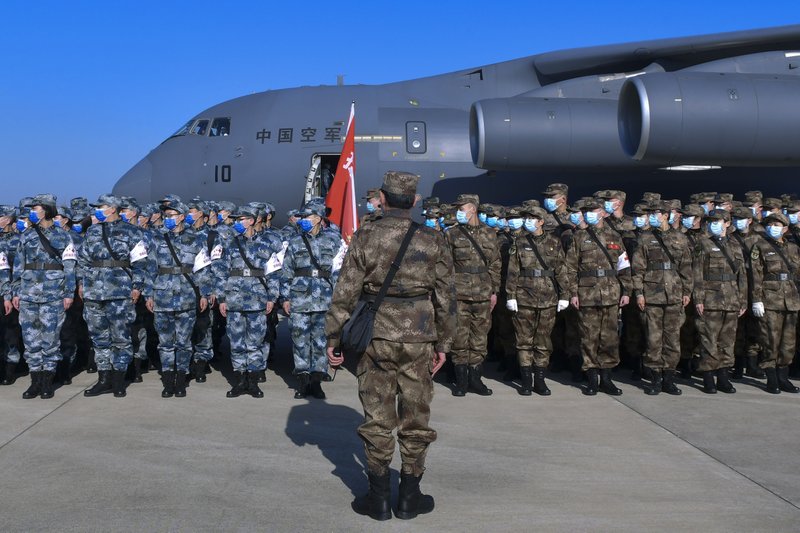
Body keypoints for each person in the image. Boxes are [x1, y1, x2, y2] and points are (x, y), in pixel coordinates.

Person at [325, 171, 456, 521]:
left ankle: (379, 499)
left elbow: (345, 292)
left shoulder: (365, 236)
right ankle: (410, 498)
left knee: (378, 417)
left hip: (376, 336)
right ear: (414, 201)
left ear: (382, 198)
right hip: (420, 336)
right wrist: (444, 342)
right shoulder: (433, 238)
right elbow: (445, 295)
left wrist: (334, 337)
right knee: (416, 416)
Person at [79, 194, 151, 398]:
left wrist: (137, 286)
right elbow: (83, 258)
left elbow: (140, 263)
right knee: (99, 337)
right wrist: (82, 282)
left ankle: (119, 380)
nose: (97, 211)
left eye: (101, 207)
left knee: (120, 338)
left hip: (120, 292)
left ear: (112, 209)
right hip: (94, 291)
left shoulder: (132, 232)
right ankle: (104, 380)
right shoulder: (92, 231)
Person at [9, 195, 77, 399]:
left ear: (46, 210)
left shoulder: (64, 236)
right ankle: (35, 383)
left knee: (50, 340)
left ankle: (47, 383)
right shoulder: (26, 236)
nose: (32, 212)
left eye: (35, 209)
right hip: (28, 294)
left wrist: (68, 293)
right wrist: (16, 291)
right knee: (31, 341)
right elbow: (18, 266)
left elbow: (70, 267)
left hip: (53, 294)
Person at [565, 198, 632, 396]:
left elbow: (624, 267)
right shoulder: (579, 237)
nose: (588, 214)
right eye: (586, 211)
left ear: (603, 212)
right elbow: (569, 268)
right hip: (587, 294)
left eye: (592, 210)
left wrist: (626, 291)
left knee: (610, 337)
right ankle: (592, 379)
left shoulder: (615, 237)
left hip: (611, 294)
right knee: (588, 337)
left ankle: (607, 379)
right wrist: (573, 293)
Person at [281, 199, 342, 399]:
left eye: (306, 217)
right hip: (299, 298)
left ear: (317, 218)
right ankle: (303, 381)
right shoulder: (295, 242)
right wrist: (285, 297)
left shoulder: (333, 240)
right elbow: (286, 271)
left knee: (320, 341)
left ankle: (316, 382)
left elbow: (338, 270)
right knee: (300, 340)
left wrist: (337, 298)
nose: (302, 220)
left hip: (324, 298)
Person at [505, 205, 569, 395]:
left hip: (548, 299)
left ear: (541, 221)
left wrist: (565, 295)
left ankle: (540, 380)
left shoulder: (555, 242)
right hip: (524, 298)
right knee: (524, 341)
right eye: (527, 218)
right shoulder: (519, 242)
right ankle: (526, 380)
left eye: (533, 218)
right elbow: (512, 271)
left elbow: (561, 270)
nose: (528, 221)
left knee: (543, 341)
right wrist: (511, 295)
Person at [631, 202, 692, 395]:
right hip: (652, 295)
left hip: (674, 295)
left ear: (666, 215)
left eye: (655, 213)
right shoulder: (645, 238)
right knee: (653, 339)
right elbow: (638, 269)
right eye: (650, 214)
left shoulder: (680, 238)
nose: (651, 217)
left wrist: (687, 292)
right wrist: (639, 293)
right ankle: (655, 379)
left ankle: (669, 379)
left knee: (672, 339)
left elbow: (686, 268)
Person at [217, 205, 278, 398]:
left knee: (255, 343)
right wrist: (221, 298)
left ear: (251, 220)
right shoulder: (228, 244)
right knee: (236, 343)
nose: (236, 223)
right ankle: (239, 381)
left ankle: (252, 382)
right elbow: (220, 272)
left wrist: (272, 297)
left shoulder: (266, 244)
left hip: (257, 300)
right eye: (235, 220)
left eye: (240, 219)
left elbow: (274, 273)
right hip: (234, 300)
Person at [445, 193, 501, 396]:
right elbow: (445, 265)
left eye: (461, 208)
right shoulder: (451, 234)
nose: (458, 212)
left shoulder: (489, 233)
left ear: (473, 209)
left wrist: (494, 291)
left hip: (483, 293)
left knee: (479, 338)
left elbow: (495, 263)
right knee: (460, 338)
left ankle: (475, 380)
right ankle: (461, 382)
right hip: (459, 293)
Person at [692, 209, 747, 394]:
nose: (714, 223)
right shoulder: (703, 244)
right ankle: (708, 377)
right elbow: (697, 273)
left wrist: (743, 300)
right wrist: (698, 298)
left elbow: (742, 276)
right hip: (710, 299)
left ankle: (724, 378)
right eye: (711, 221)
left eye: (718, 220)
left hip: (731, 299)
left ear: (727, 223)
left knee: (727, 341)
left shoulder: (735, 246)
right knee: (708, 339)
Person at [749, 212, 800, 393]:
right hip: (770, 299)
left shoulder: (794, 248)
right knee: (770, 339)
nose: (773, 227)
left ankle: (783, 377)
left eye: (777, 224)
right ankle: (772, 378)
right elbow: (756, 275)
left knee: (788, 342)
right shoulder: (760, 246)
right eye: (770, 224)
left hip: (791, 300)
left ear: (785, 228)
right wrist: (756, 300)